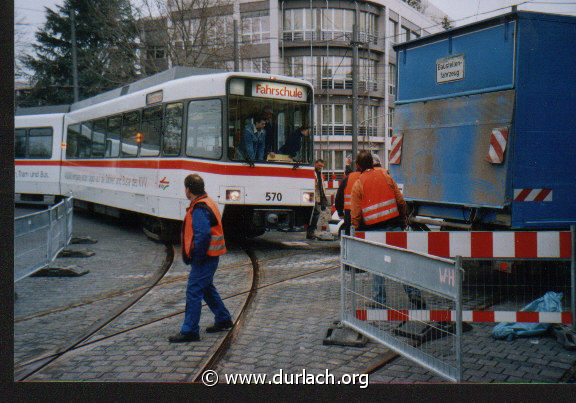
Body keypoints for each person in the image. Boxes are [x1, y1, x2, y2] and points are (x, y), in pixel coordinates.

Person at [350, 151, 425, 309]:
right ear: (372, 162)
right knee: (402, 261)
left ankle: (380, 300)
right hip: (394, 226)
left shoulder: (359, 183)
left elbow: (355, 214)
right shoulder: (386, 176)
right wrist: (403, 218)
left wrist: (355, 230)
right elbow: (400, 201)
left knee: (379, 265)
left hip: (374, 231)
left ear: (358, 166)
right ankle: (414, 294)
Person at [168, 174, 233, 342]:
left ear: (188, 189)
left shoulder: (199, 207)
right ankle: (223, 318)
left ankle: (189, 330)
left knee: (194, 290)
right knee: (206, 288)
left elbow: (202, 235)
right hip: (211, 255)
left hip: (205, 256)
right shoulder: (207, 202)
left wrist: (196, 256)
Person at [334, 160, 362, 236]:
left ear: (357, 166)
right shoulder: (370, 177)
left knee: (349, 235)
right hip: (366, 212)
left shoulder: (348, 178)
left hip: (349, 213)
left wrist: (340, 212)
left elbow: (339, 196)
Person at [306, 158, 328, 240]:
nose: (320, 167)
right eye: (319, 165)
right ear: (315, 164)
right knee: (316, 213)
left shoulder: (320, 174)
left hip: (317, 197)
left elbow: (321, 187)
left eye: (321, 166)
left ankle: (310, 232)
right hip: (312, 196)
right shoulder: (312, 173)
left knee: (315, 213)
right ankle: (310, 232)